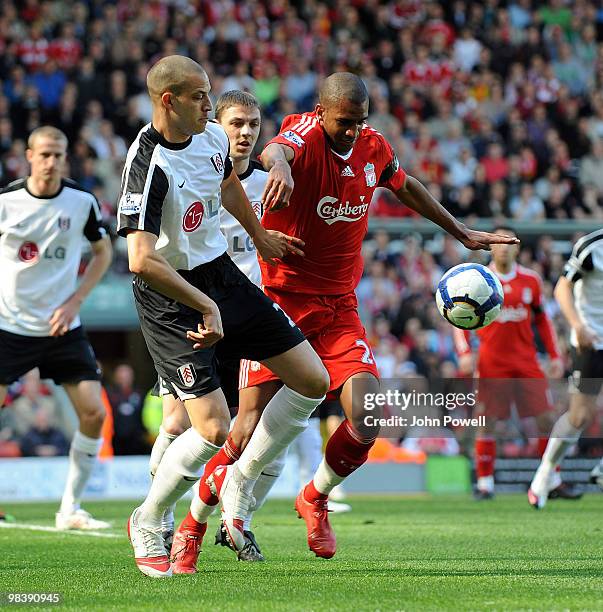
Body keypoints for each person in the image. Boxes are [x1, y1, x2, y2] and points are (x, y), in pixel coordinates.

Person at [204, 72, 519, 560]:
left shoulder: (372, 146)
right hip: (283, 302)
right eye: (344, 122)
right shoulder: (303, 135)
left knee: (367, 416)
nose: (352, 132)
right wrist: (282, 169)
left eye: (360, 122)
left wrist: (461, 232)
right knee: (244, 429)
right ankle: (189, 523)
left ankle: (314, 499)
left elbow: (406, 185)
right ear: (323, 113)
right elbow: (275, 151)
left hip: (338, 307)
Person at [117, 56, 329, 578]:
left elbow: (228, 184)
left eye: (209, 94)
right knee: (211, 428)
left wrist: (258, 236)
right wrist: (205, 305)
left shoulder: (211, 138)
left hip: (220, 276)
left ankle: (242, 480)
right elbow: (140, 259)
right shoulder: (148, 164)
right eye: (198, 97)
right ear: (168, 101)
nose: (210, 106)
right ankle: (149, 516)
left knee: (312, 379)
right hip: (170, 294)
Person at [0, 125, 113, 530]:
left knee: (93, 413)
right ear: (28, 155)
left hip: (63, 326)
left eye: (58, 155)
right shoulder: (6, 202)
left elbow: (102, 252)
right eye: (44, 154)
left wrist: (75, 300)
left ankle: (71, 509)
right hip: (9, 325)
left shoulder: (81, 202)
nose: (51, 162)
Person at [454, 226, 580, 501]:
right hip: (491, 363)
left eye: (509, 243)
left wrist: (556, 356)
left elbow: (543, 322)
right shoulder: (479, 279)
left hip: (526, 362)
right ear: (491, 247)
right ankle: (485, 484)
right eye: (498, 243)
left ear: (517, 248)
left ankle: (551, 478)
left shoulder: (531, 281)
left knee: (546, 418)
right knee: (487, 420)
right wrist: (464, 351)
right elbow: (458, 316)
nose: (503, 248)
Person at [528, 228, 603, 508]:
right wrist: (577, 325)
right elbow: (562, 288)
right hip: (590, 339)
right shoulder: (592, 247)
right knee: (579, 417)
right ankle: (546, 472)